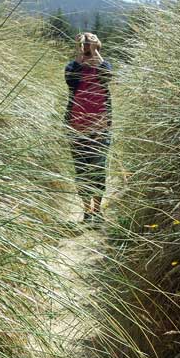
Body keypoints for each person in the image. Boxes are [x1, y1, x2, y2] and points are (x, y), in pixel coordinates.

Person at [65, 32, 112, 226]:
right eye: (84, 44)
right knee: (82, 171)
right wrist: (79, 53)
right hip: (77, 128)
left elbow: (108, 76)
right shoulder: (73, 66)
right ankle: (87, 212)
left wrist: (95, 53)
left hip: (100, 127)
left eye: (90, 43)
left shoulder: (104, 65)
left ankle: (98, 211)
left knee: (98, 170)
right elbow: (70, 80)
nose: (87, 47)